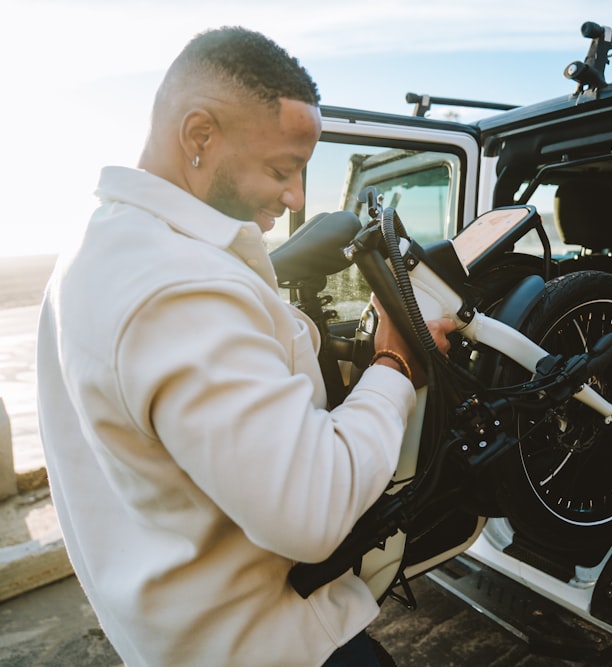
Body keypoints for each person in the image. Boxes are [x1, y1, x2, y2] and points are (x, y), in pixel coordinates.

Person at [35, 27, 455, 667]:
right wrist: (396, 362)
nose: (296, 198)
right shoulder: (179, 285)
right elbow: (311, 513)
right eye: (282, 169)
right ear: (199, 137)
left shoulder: (98, 250)